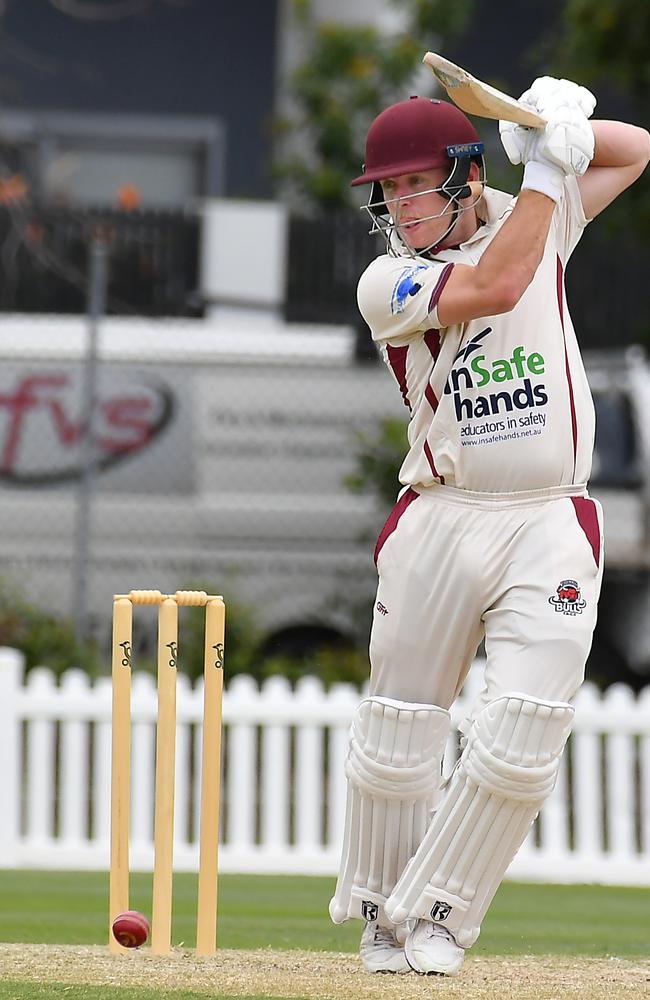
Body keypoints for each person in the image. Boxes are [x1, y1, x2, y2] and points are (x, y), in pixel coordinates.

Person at [329, 81, 650, 977]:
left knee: (524, 730)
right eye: (386, 191)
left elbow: (637, 150)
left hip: (548, 514)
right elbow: (503, 279)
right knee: (401, 730)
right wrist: (547, 171)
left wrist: (552, 130)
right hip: (442, 512)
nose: (398, 205)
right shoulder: (388, 280)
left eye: (415, 185)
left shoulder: (534, 210)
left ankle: (438, 914)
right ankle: (378, 918)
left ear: (468, 176)